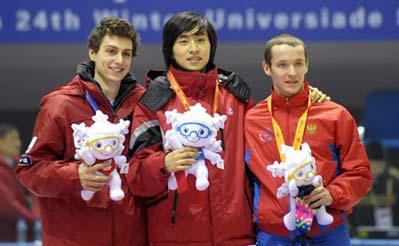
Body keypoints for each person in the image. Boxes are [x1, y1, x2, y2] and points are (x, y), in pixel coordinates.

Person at [127, 12, 328, 245]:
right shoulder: (154, 100)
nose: (194, 48)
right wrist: (162, 164)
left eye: (201, 40)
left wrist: (308, 98)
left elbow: (269, 139)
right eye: (184, 41)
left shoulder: (235, 93)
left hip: (236, 233)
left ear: (211, 46)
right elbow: (136, 176)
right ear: (170, 49)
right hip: (174, 235)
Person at [16, 17, 146, 245]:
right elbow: (30, 170)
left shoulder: (143, 103)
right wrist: (76, 175)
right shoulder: (60, 105)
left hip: (131, 236)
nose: (119, 60)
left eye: (126, 54)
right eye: (111, 51)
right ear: (93, 53)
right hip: (74, 238)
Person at [244, 34, 373, 245]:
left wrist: (333, 194)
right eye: (282, 65)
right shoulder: (251, 120)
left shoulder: (335, 115)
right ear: (267, 68)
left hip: (328, 232)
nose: (292, 73)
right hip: (274, 235)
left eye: (298, 64)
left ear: (307, 66)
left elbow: (361, 173)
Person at [0, 124, 39, 242]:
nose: (18, 143)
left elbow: (35, 190)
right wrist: (35, 219)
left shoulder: (18, 166)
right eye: (12, 139)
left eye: (18, 139)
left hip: (21, 233)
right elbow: (7, 205)